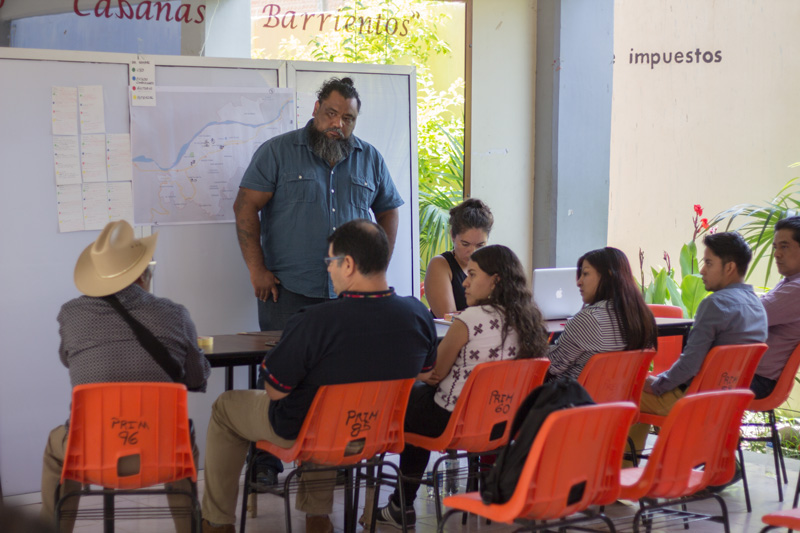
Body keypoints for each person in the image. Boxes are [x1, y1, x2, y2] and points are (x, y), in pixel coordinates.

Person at [200, 220, 437, 533]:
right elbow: (426, 373)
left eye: (331, 262)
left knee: (226, 406)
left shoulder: (315, 321)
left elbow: (274, 390)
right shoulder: (418, 314)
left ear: (348, 264)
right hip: (376, 431)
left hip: (303, 430)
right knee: (327, 410)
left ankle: (217, 523)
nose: (329, 270)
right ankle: (317, 519)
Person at [40, 220, 210, 533]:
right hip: (161, 454)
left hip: (91, 454)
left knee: (56, 449)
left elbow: (67, 360)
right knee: (182, 436)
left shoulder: (71, 313)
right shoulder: (175, 313)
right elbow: (196, 378)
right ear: (143, 274)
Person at [375, 244, 549, 528]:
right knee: (419, 402)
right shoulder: (529, 320)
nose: (465, 282)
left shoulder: (468, 319)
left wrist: (404, 374)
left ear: (496, 280)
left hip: (453, 421)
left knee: (409, 404)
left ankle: (400, 504)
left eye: (472, 274)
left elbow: (434, 373)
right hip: (501, 420)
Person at [234, 76, 404, 332]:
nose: (338, 124)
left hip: (352, 292)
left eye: (348, 118)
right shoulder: (277, 152)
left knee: (346, 368)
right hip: (288, 291)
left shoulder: (370, 158)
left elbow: (389, 211)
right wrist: (256, 269)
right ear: (316, 109)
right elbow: (245, 207)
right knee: (288, 368)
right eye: (331, 113)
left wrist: (377, 270)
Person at [629, 231, 768, 459]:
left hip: (691, 401)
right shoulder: (757, 306)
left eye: (709, 263)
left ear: (730, 267)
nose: (702, 270)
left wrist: (657, 385)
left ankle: (617, 473)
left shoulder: (715, 304)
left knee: (626, 392)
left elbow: (690, 365)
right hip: (725, 402)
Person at [547, 247, 658, 382]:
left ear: (609, 275)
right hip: (619, 399)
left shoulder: (589, 319)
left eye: (585, 274)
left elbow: (552, 365)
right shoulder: (644, 318)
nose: (579, 282)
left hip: (572, 399)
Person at [751, 215, 800, 399]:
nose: (777, 254)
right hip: (747, 374)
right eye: (775, 247)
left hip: (757, 380)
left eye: (784, 246)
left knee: (680, 381)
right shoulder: (789, 282)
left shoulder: (797, 288)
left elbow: (748, 315)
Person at [424, 198, 494, 318]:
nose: (473, 252)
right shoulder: (440, 265)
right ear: (452, 236)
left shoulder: (492, 264)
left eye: (480, 245)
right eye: (465, 244)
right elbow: (448, 318)